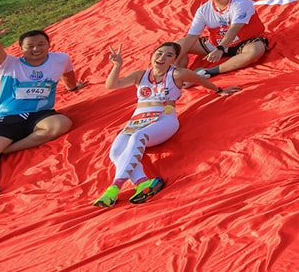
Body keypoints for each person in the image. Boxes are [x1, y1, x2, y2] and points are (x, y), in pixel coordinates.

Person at [94, 42, 236, 207]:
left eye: (168, 55)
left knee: (137, 137)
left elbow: (199, 79)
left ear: (174, 60)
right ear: (152, 54)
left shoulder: (177, 74)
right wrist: (117, 65)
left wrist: (219, 90)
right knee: (116, 152)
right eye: (159, 53)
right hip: (136, 121)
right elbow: (112, 85)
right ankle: (143, 182)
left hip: (164, 120)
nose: (162, 58)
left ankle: (113, 189)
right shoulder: (140, 75)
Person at [0, 22, 80, 195]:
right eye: (30, 46)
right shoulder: (8, 64)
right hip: (9, 116)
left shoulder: (60, 59)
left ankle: (6, 149)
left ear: (49, 44)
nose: (36, 49)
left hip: (40, 115)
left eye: (41, 44)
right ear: (20, 48)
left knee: (61, 123)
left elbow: (68, 73)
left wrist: (72, 88)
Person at [178, 0, 268, 78]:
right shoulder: (203, 10)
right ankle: (177, 75)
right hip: (216, 44)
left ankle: (208, 72)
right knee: (178, 46)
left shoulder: (241, 3)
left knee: (255, 50)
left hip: (243, 43)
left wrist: (220, 48)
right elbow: (192, 36)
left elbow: (234, 28)